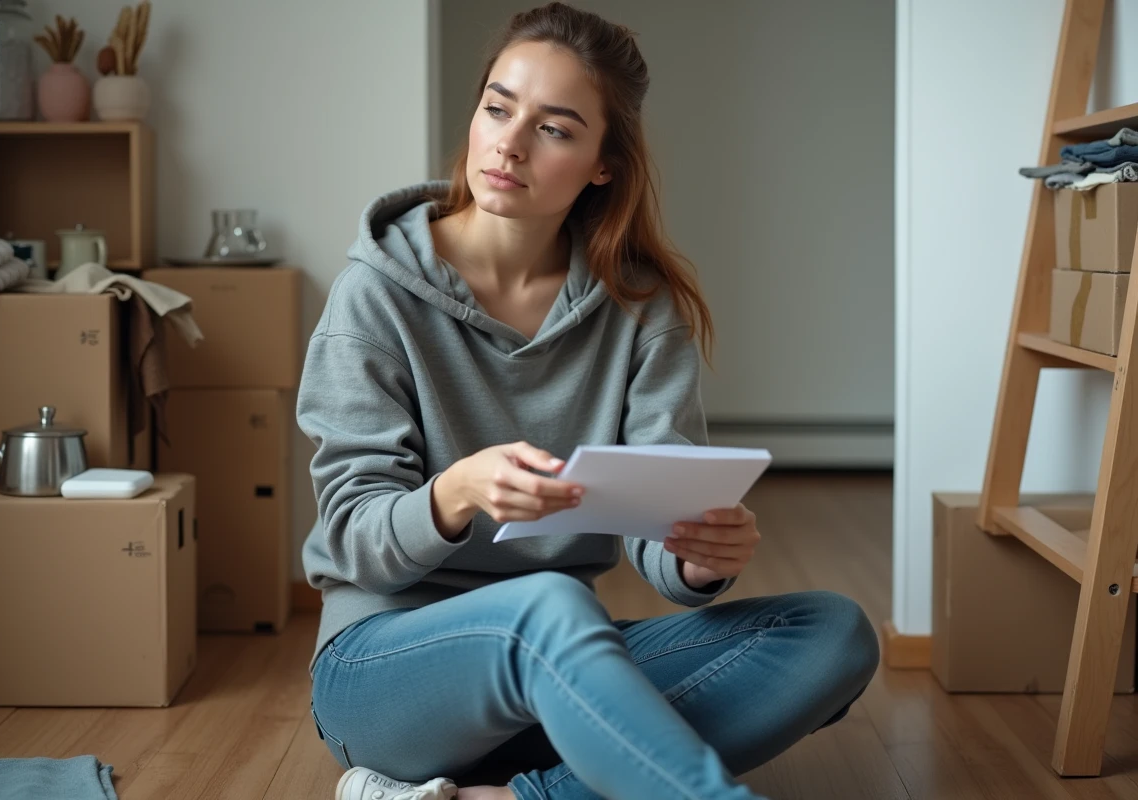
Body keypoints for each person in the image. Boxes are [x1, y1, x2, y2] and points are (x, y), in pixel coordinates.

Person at [298, 4, 880, 799]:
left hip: (562, 665)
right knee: (548, 606)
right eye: (497, 108)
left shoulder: (641, 306)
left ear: (603, 164)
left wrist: (695, 553)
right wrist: (455, 491)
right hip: (383, 673)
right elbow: (353, 540)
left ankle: (515, 795)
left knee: (832, 632)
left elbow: (654, 518)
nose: (509, 144)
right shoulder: (375, 296)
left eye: (554, 129)